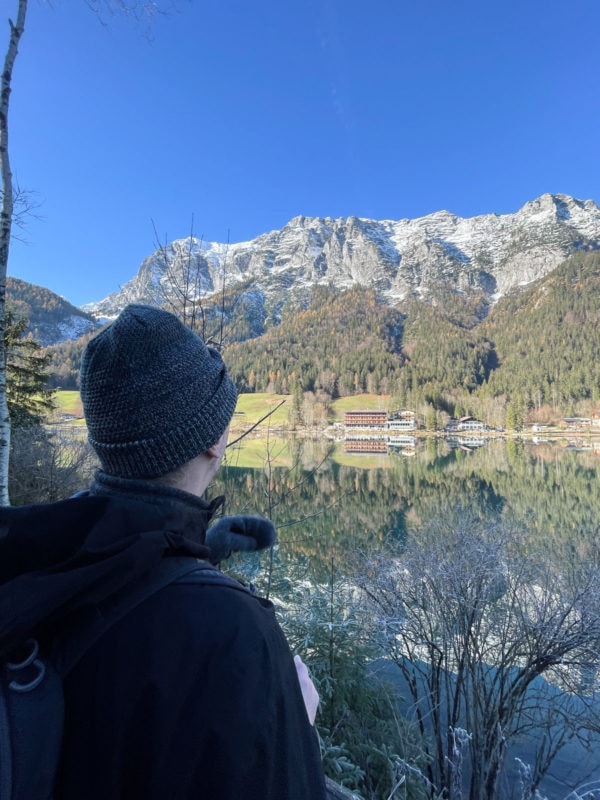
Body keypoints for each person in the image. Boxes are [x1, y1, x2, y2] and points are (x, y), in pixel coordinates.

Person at [0, 304, 327, 800]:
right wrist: (289, 722)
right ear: (213, 442)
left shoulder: (41, 556)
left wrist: (194, 556)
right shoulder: (235, 634)